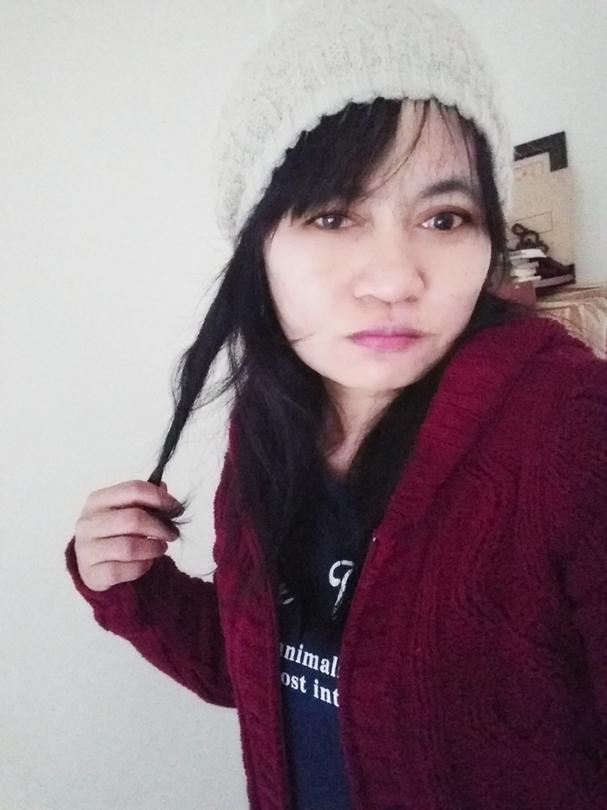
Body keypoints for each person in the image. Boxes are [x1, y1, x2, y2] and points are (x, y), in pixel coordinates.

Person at [65, 0, 607, 807]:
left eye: (444, 217)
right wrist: (130, 585)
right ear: (257, 245)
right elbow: (268, 675)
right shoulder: (268, 431)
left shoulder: (572, 429)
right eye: (332, 214)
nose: (394, 278)